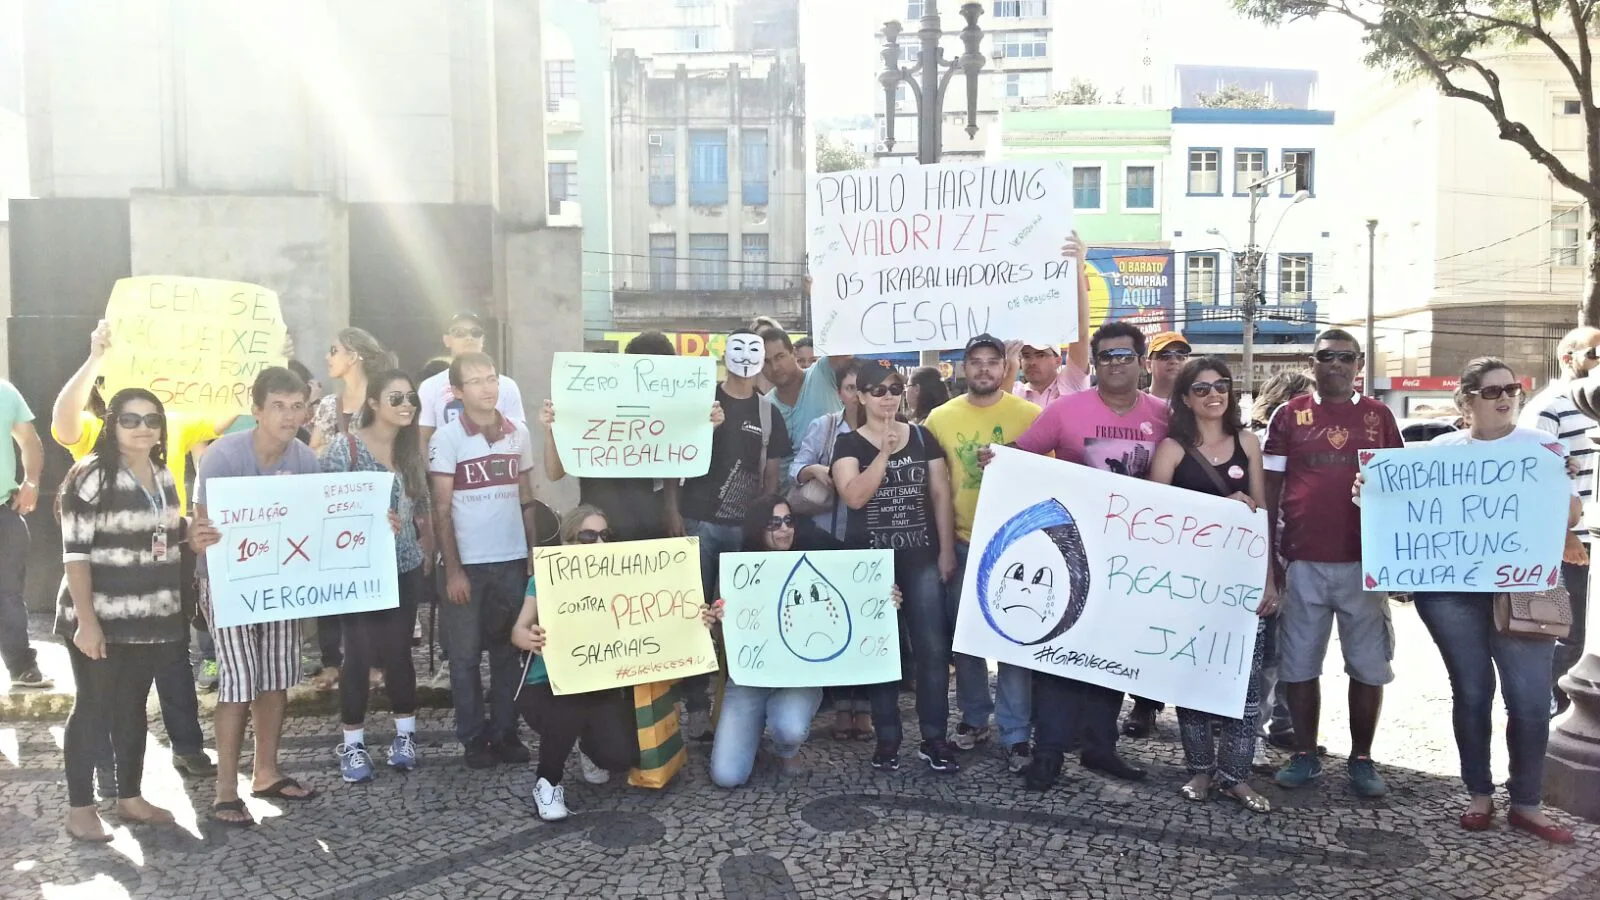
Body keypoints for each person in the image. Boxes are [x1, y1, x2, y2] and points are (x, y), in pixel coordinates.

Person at [1371, 358, 1578, 844]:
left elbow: (1569, 516)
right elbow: (1396, 507)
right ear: (1465, 402)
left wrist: (1558, 483)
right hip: (1449, 592)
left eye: (1512, 388)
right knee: (1471, 691)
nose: (1505, 398)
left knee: (1529, 699)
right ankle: (1479, 793)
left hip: (1525, 589)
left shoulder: (1542, 447)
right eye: (1491, 392)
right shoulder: (1439, 451)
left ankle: (1527, 802)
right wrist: (1370, 489)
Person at [1002, 321, 1169, 790]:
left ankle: (1101, 747)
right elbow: (1020, 456)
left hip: (1136, 560)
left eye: (1125, 356)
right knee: (1060, 654)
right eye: (1107, 356)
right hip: (1072, 555)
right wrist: (994, 459)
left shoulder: (1163, 416)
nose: (1116, 364)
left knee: (1114, 652)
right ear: (1094, 364)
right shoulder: (1066, 410)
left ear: (1142, 363)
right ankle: (1049, 753)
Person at [51, 319, 218, 777]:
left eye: (150, 420)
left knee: (162, 675)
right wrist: (95, 358)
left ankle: (158, 768)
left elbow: (227, 406)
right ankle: (95, 790)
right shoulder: (92, 450)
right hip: (106, 599)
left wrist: (189, 533)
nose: (142, 427)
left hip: (162, 582)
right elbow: (63, 418)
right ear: (111, 418)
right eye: (129, 419)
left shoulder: (164, 460)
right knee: (100, 700)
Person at [1263, 329, 1402, 798]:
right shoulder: (1289, 415)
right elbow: (1271, 491)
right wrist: (1272, 560)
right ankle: (1304, 753)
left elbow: (1403, 487)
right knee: (1299, 666)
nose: (1336, 364)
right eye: (1327, 357)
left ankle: (1362, 758)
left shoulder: (1379, 416)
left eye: (1346, 357)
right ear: (1313, 362)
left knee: (1367, 666)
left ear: (1358, 363)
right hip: (1303, 562)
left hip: (1364, 564)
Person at [1147, 358, 1277, 814]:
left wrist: (1269, 580)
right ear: (1185, 398)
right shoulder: (1172, 449)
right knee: (1193, 682)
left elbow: (1260, 515)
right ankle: (1200, 769)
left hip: (1240, 582)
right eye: (1201, 389)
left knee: (1245, 685)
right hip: (1189, 585)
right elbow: (1154, 519)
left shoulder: (1248, 442)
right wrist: (1220, 506)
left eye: (1221, 385)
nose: (1213, 394)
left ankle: (1236, 776)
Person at [195, 368, 323, 826]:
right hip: (227, 584)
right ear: (257, 410)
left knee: (274, 679)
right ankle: (224, 789)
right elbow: (201, 527)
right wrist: (199, 535)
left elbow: (320, 522)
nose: (290, 416)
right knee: (236, 680)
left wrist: (371, 526)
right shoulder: (223, 457)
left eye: (298, 406)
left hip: (281, 584)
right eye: (279, 406)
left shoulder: (307, 460)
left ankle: (265, 772)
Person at [707, 496, 896, 786]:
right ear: (758, 527)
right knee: (726, 776)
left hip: (798, 677)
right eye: (774, 523)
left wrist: (885, 597)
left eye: (788, 521)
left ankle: (787, 750)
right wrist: (714, 621)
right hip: (749, 680)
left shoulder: (818, 560)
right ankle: (750, 731)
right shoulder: (737, 573)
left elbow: (858, 598)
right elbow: (722, 640)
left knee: (790, 728)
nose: (784, 529)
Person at [833, 361, 959, 773]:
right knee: (881, 651)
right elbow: (854, 496)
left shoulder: (924, 437)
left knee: (932, 649)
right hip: (870, 563)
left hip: (920, 555)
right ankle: (887, 738)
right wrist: (884, 453)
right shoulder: (848, 445)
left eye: (894, 387)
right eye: (878, 389)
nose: (888, 396)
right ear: (861, 396)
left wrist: (945, 551)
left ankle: (935, 736)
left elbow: (940, 494)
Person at [923, 335, 1042, 772]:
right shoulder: (939, 419)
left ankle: (1016, 733)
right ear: (962, 368)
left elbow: (1049, 478)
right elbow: (932, 488)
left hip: (1014, 545)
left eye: (993, 362)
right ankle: (975, 718)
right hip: (959, 540)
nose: (985, 370)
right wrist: (942, 549)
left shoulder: (1030, 416)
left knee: (1013, 639)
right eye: (976, 362)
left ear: (1004, 368)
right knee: (964, 638)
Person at [675, 330, 793, 739]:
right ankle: (694, 702)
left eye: (753, 352)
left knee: (741, 614)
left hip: (744, 529)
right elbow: (677, 454)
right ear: (723, 355)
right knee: (696, 615)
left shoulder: (768, 412)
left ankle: (737, 699)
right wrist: (702, 428)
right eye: (737, 350)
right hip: (699, 522)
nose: (746, 358)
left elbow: (772, 473)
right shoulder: (702, 400)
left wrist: (764, 524)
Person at [429, 352, 538, 769]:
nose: (487, 387)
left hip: (511, 559)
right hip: (468, 564)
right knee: (464, 656)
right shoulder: (447, 438)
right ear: (457, 392)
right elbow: (441, 509)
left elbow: (527, 498)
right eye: (475, 381)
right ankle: (473, 737)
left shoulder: (519, 434)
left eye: (491, 378)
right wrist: (453, 569)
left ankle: (507, 731)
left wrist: (532, 556)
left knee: (509, 651)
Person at [322, 370, 432, 783]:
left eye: (411, 397)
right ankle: (352, 744)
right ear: (372, 403)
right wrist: (366, 518)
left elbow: (419, 504)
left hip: (402, 565)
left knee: (400, 651)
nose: (406, 404)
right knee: (359, 653)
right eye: (396, 397)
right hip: (358, 567)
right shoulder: (345, 448)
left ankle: (405, 737)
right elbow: (323, 504)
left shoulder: (410, 452)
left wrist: (425, 546)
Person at [510, 506, 638, 820]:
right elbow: (518, 630)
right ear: (568, 541)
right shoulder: (545, 579)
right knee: (570, 699)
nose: (598, 543)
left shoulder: (620, 580)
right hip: (546, 686)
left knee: (622, 758)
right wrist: (529, 638)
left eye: (604, 536)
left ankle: (586, 745)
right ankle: (547, 782)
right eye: (587, 536)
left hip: (599, 682)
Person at [540, 331, 721, 542]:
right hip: (600, 528)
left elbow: (673, 461)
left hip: (650, 523)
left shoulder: (667, 411)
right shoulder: (590, 403)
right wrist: (550, 430)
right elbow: (554, 473)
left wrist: (704, 429)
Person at [306, 327, 396, 693]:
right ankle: (332, 660)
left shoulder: (381, 398)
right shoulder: (329, 404)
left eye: (334, 350)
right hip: (334, 507)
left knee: (372, 585)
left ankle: (375, 661)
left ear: (354, 355)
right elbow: (313, 451)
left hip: (376, 507)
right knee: (332, 584)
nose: (328, 357)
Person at [1117, 328, 1197, 738]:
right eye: (1165, 354)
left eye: (1182, 354)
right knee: (1143, 623)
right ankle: (1144, 706)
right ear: (1149, 363)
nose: (1174, 361)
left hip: (1189, 530)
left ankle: (1197, 710)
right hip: (1137, 528)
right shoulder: (1139, 406)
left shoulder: (1196, 405)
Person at [1519, 326, 1600, 718]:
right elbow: (1534, 476)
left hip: (1592, 537)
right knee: (1568, 636)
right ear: (1568, 359)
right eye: (1595, 354)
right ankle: (1549, 710)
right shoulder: (1547, 406)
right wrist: (1564, 535)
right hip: (1571, 543)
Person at [1245, 369, 1314, 764]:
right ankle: (1250, 737)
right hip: (1266, 561)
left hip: (1302, 560)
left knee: (1300, 652)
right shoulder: (1256, 443)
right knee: (1266, 657)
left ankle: (1287, 726)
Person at [790, 370, 863, 738]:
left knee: (866, 620)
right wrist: (815, 469)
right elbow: (794, 468)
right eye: (849, 388)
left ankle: (863, 706)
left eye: (860, 388)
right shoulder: (826, 426)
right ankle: (839, 706)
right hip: (825, 534)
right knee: (832, 620)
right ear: (840, 392)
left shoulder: (889, 428)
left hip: (869, 536)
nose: (855, 396)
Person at [757, 325, 853, 484]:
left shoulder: (822, 372)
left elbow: (844, 348)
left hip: (838, 489)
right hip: (788, 502)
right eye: (766, 361)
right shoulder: (764, 407)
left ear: (793, 353)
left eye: (780, 356)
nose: (775, 367)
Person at [418, 313, 527, 449]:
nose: (469, 337)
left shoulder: (508, 386)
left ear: (483, 340)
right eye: (459, 333)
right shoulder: (429, 386)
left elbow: (518, 438)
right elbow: (424, 439)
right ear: (447, 340)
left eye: (476, 332)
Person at [1, 375, 46, 690]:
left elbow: (29, 439)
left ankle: (22, 667)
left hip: (4, 511)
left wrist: (31, 482)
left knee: (7, 595)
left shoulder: (4, 391)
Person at [1011, 235, 1093, 410]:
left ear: (1057, 360)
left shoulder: (1071, 383)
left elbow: (1081, 332)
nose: (1032, 362)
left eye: (1040, 355)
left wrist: (1078, 268)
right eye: (1026, 356)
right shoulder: (1013, 392)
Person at [1144, 332, 1192, 402]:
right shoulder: (1133, 403)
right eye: (1165, 356)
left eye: (1180, 356)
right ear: (1148, 365)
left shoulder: (1194, 404)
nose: (1174, 361)